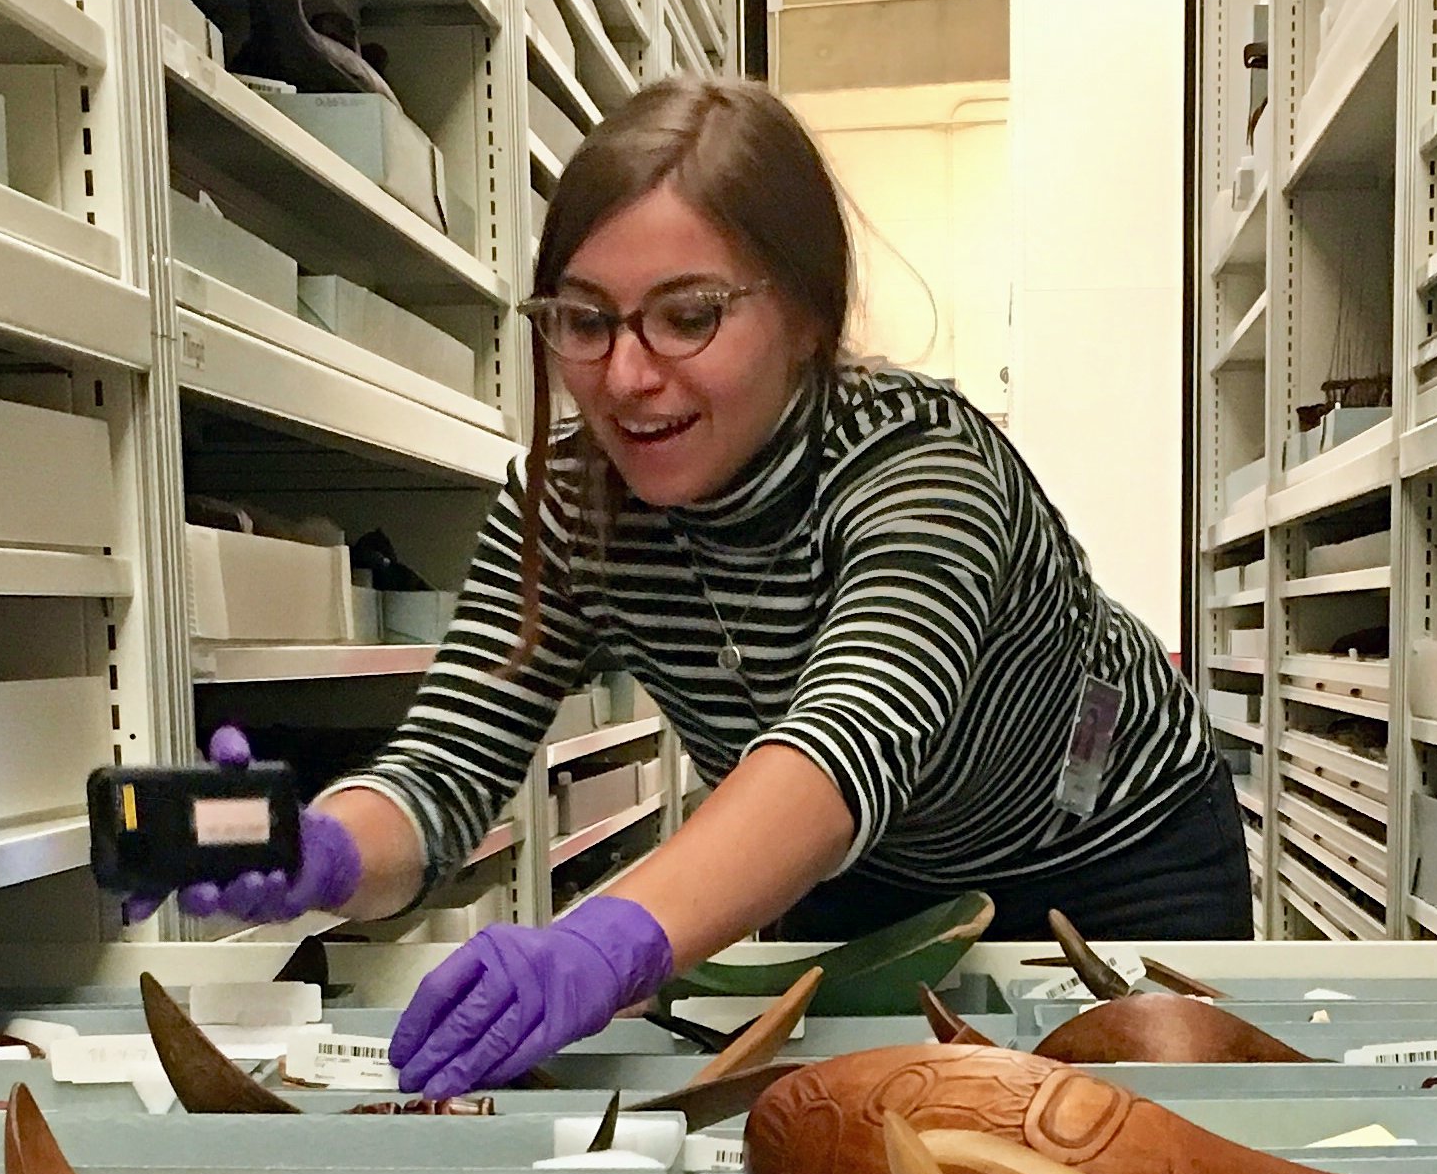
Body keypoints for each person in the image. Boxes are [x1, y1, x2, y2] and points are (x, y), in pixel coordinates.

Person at [162, 75, 1247, 1094]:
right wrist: (332, 848)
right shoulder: (572, 504)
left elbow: (846, 744)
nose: (629, 376)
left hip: (1112, 844)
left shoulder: (924, 467)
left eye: (688, 315)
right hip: (863, 880)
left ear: (809, 316)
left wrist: (605, 940)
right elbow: (447, 766)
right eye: (585, 320)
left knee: (1152, 1172)